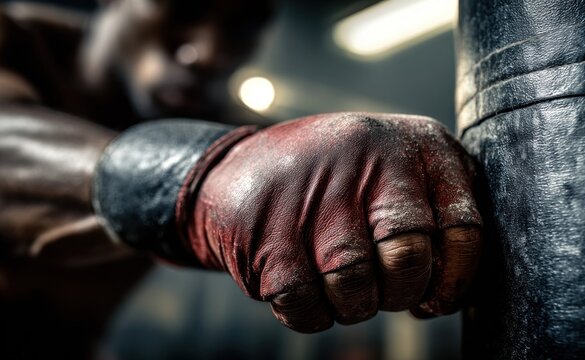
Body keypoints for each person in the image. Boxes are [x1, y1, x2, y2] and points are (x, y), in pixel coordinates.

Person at [0, 0, 483, 357]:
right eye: (180, 8)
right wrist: (198, 179)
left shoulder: (226, 130)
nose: (208, 53)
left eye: (241, 26)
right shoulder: (14, 39)